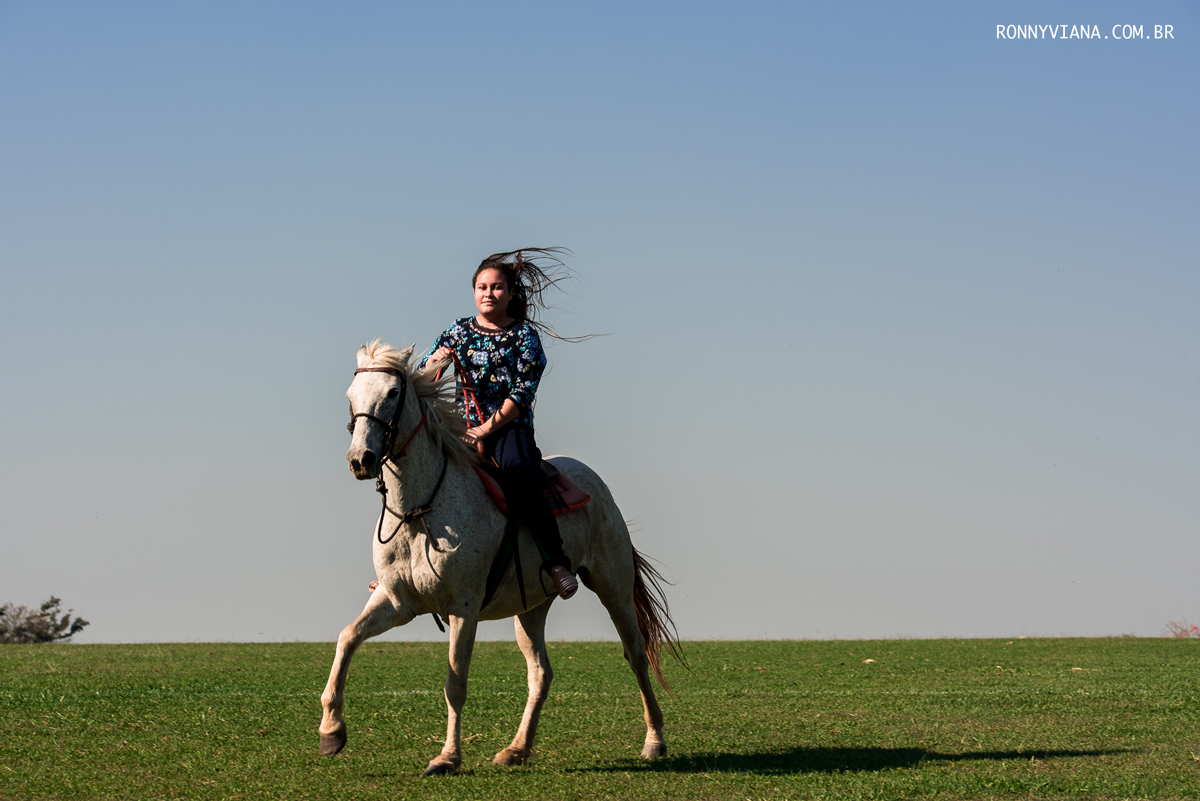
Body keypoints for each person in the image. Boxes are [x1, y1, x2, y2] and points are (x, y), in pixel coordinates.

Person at [419, 248, 579, 601]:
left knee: (520, 471)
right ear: (473, 292)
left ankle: (556, 561)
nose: (488, 294)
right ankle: (399, 565)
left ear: (509, 293)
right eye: (481, 287)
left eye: (496, 287)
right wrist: (432, 366)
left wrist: (484, 430)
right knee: (414, 468)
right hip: (459, 427)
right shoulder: (457, 331)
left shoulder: (524, 338)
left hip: (509, 429)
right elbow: (426, 373)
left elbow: (521, 393)